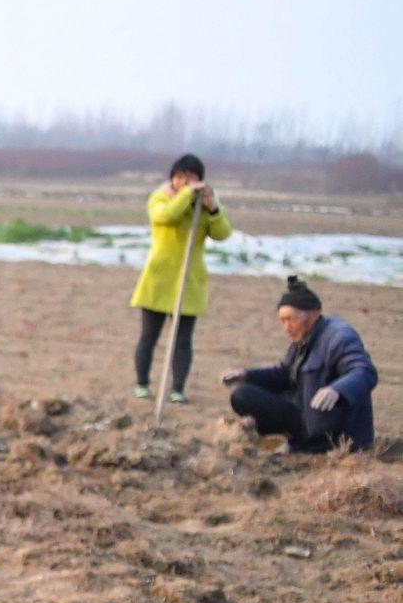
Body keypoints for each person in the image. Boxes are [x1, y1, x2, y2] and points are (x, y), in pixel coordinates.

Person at [222, 276, 379, 453]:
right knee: (242, 394)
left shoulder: (339, 336)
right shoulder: (302, 338)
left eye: (290, 319)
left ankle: (308, 444)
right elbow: (283, 375)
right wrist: (246, 375)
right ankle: (287, 437)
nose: (286, 327)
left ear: (313, 314)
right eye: (282, 321)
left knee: (245, 394)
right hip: (304, 412)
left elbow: (364, 372)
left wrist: (337, 389)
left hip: (332, 428)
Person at [129, 153, 231, 403]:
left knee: (183, 340)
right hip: (159, 278)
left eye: (190, 177)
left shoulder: (205, 205)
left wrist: (213, 208)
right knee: (149, 336)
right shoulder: (159, 198)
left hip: (189, 280)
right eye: (180, 176)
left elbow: (222, 233)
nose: (184, 182)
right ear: (172, 178)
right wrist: (187, 194)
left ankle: (177, 389)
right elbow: (167, 216)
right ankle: (142, 384)